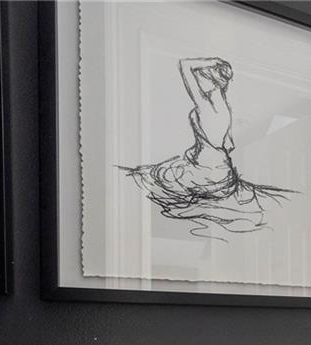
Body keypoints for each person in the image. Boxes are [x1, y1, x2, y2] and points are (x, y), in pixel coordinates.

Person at [120, 57, 291, 242]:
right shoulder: (223, 107)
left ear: (211, 80)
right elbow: (229, 145)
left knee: (147, 177)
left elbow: (184, 65)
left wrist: (212, 61)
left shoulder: (206, 105)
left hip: (205, 173)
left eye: (200, 77)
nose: (198, 82)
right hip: (220, 172)